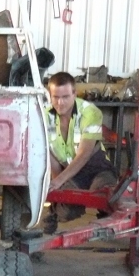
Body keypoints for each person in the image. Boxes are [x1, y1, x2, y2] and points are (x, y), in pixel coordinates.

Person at [43, 71, 118, 234]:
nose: (60, 102)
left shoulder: (90, 113)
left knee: (105, 195)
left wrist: (60, 181)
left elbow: (84, 153)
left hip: (97, 167)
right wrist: (58, 185)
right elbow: (50, 153)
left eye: (65, 97)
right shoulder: (44, 116)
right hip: (70, 171)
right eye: (56, 97)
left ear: (74, 94)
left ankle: (104, 215)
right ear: (50, 95)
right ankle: (54, 212)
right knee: (68, 211)